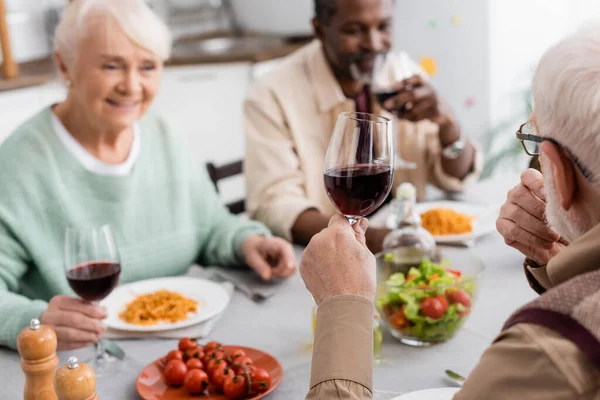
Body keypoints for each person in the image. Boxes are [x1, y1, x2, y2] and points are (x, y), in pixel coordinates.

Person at [300, 23, 600, 399]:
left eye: (534, 141)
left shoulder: (542, 356)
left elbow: (454, 168)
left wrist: (342, 303)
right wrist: (562, 260)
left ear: (555, 169)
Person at [0, 0, 296, 351]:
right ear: (66, 65)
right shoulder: (19, 164)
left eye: (147, 67)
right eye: (112, 66)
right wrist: (33, 322)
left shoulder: (161, 134)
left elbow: (210, 225)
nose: (132, 85)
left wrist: (246, 242)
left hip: (182, 349)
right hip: (76, 364)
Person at [244, 0, 482, 253]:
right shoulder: (271, 94)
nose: (374, 43)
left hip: (404, 252)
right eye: (354, 30)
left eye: (384, 26)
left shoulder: (401, 73)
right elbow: (276, 205)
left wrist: (449, 125)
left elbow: (456, 175)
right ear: (320, 30)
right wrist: (376, 241)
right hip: (324, 257)